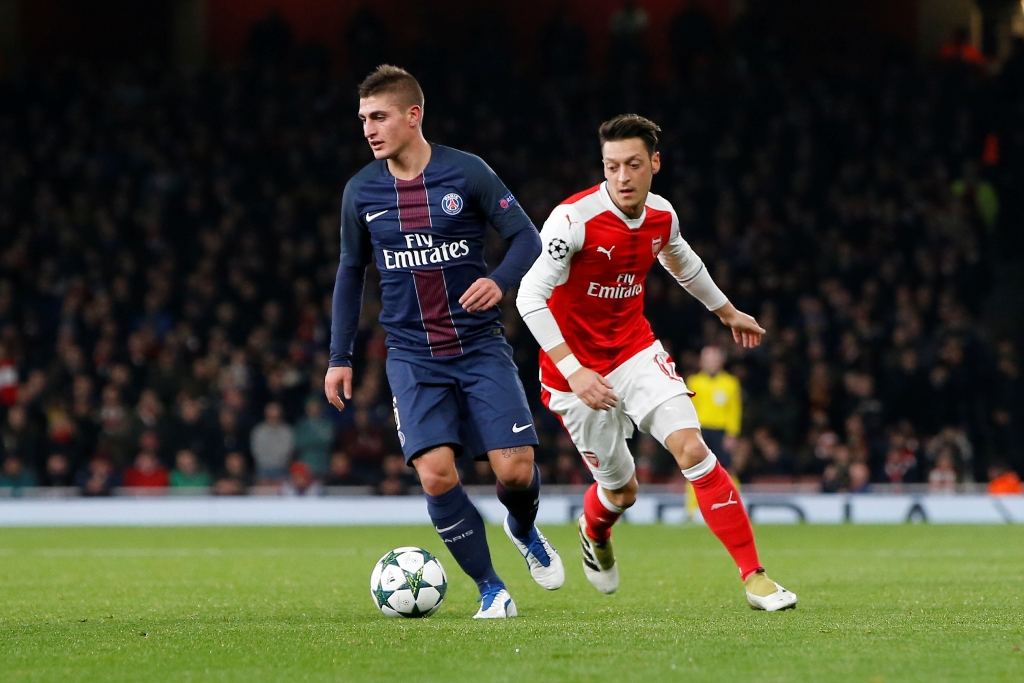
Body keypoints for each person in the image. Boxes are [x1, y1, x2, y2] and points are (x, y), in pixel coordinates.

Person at [516, 114, 796, 611]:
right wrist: (576, 370)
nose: (622, 177)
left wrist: (728, 312)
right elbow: (529, 297)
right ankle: (594, 529)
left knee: (691, 448)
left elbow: (681, 260)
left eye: (633, 165)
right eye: (611, 166)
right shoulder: (571, 220)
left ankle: (755, 577)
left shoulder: (661, 216)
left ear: (654, 164)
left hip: (634, 351)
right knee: (622, 492)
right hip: (572, 372)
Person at [324, 65, 563, 619]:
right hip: (411, 356)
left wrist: (499, 281)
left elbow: (528, 236)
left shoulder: (466, 172)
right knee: (436, 472)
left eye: (379, 117)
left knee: (516, 472)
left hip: (479, 347)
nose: (368, 129)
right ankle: (491, 589)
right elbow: (349, 272)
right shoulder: (361, 191)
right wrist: (340, 358)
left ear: (414, 115)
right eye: (363, 119)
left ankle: (523, 527)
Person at [687, 345, 742, 467]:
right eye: (707, 360)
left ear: (721, 361)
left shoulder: (730, 383)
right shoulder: (694, 382)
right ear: (701, 362)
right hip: (700, 430)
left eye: (714, 360)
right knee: (697, 466)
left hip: (721, 432)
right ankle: (692, 487)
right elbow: (689, 409)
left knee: (725, 465)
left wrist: (732, 434)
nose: (711, 363)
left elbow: (734, 410)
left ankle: (730, 487)